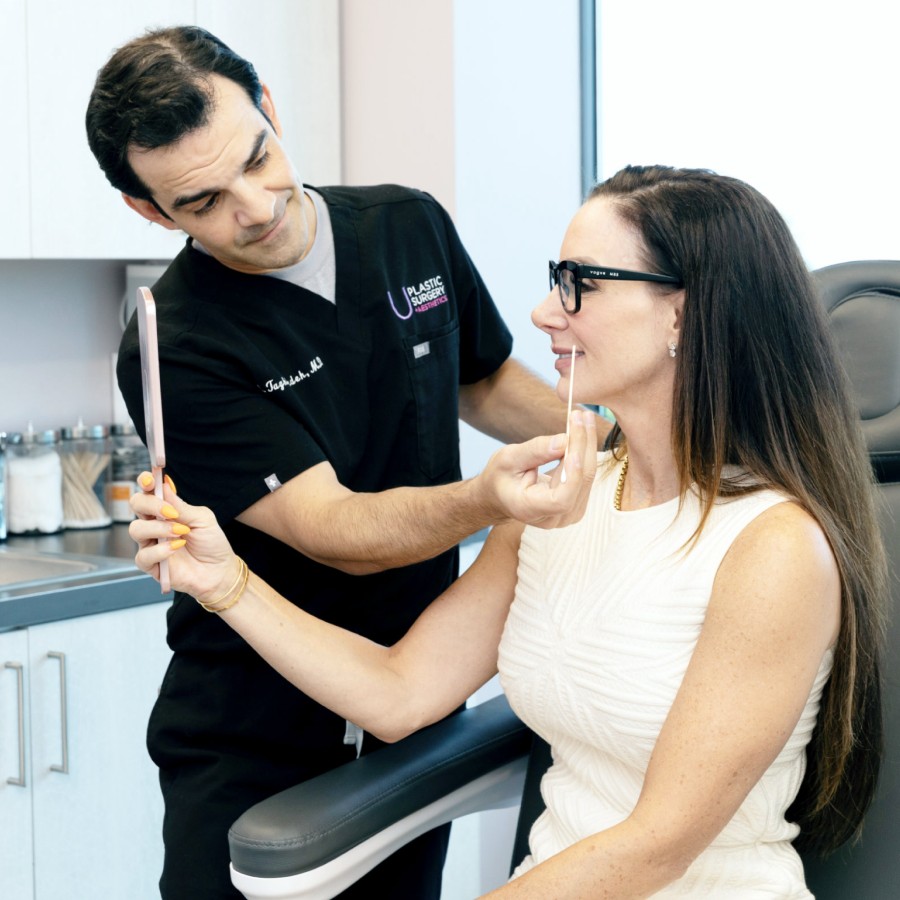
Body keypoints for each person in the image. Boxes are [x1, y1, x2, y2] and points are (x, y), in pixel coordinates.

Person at [131, 165, 888, 898]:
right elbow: (397, 693)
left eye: (580, 286)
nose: (544, 312)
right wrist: (226, 582)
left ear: (682, 315)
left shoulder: (772, 548)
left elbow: (658, 844)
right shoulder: (558, 508)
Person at [85, 25, 590, 900]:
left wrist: (625, 437)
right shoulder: (178, 343)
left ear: (272, 108)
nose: (254, 206)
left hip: (416, 699)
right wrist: (490, 497)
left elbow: (483, 380)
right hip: (258, 729)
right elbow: (334, 531)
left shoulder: (407, 225)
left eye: (258, 156)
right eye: (203, 201)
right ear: (151, 212)